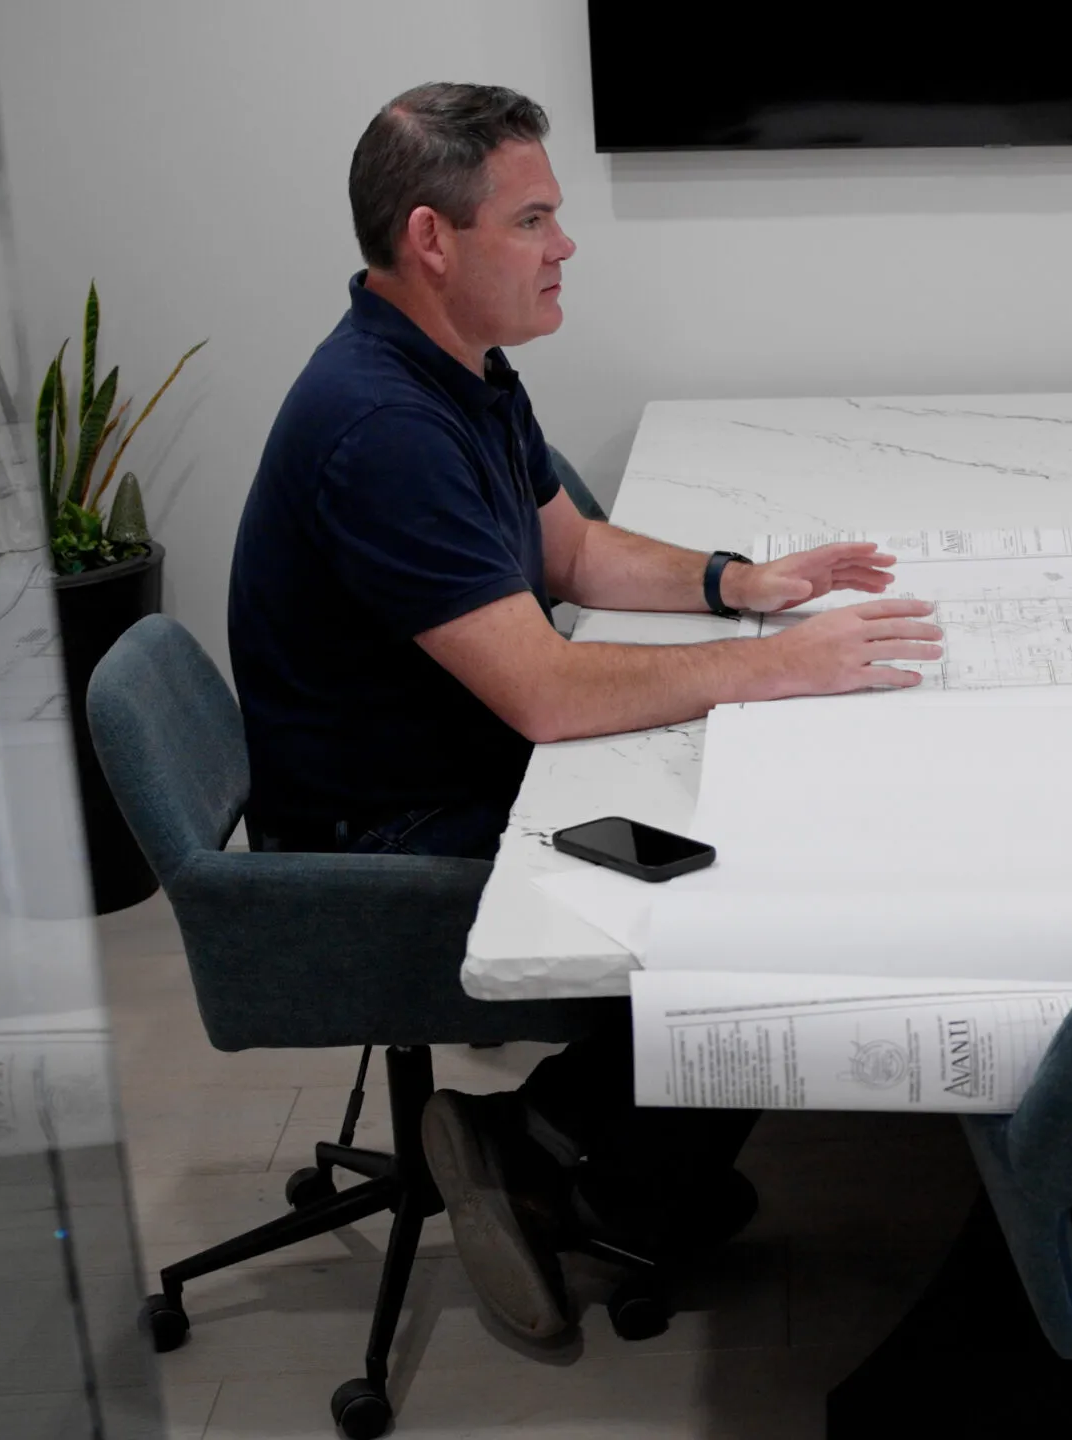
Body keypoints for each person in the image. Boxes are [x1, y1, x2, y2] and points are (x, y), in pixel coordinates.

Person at [227, 83, 945, 1343]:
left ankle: (570, 1144)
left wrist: (741, 586)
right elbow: (549, 695)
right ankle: (560, 1155)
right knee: (749, 890)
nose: (565, 248)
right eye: (534, 219)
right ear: (432, 241)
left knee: (753, 805)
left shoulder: (459, 366)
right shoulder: (384, 425)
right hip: (385, 835)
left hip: (457, 765)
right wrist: (784, 666)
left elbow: (571, 553)